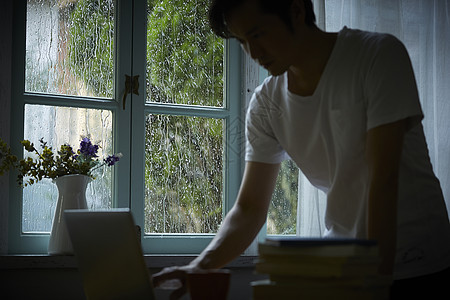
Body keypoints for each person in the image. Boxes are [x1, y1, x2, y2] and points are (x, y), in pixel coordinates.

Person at [152, 0, 450, 298]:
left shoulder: (377, 55)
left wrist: (375, 281)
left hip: (418, 259)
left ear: (295, 10)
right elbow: (250, 209)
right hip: (345, 266)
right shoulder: (266, 104)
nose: (253, 53)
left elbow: (383, 179)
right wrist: (200, 266)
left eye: (257, 34)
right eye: (242, 41)